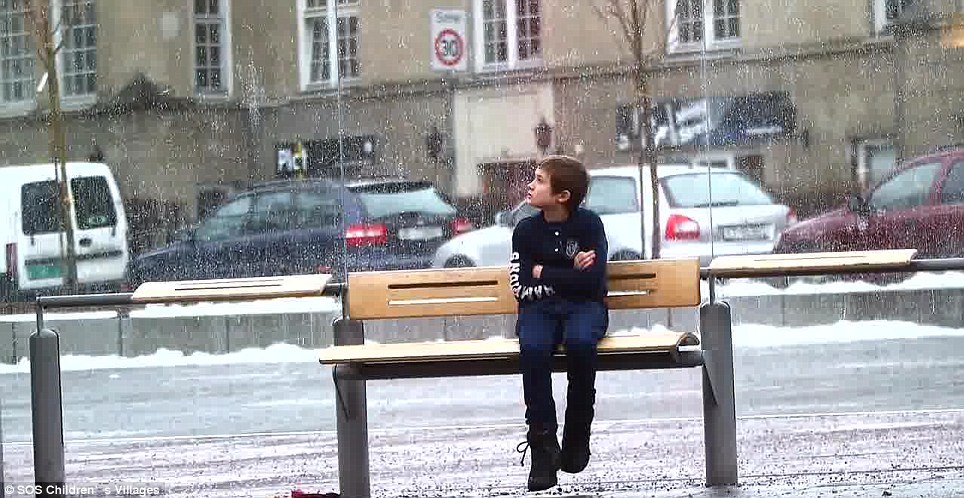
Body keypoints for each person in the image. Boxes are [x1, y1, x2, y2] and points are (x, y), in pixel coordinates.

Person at [509, 155, 609, 491]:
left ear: (562, 195)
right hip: (539, 311)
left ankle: (577, 434)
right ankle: (542, 446)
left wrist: (545, 272)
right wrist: (568, 274)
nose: (531, 185)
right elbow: (521, 287)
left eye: (539, 180)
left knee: (581, 344)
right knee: (534, 349)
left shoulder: (589, 226)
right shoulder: (525, 231)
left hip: (585, 308)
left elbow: (593, 284)